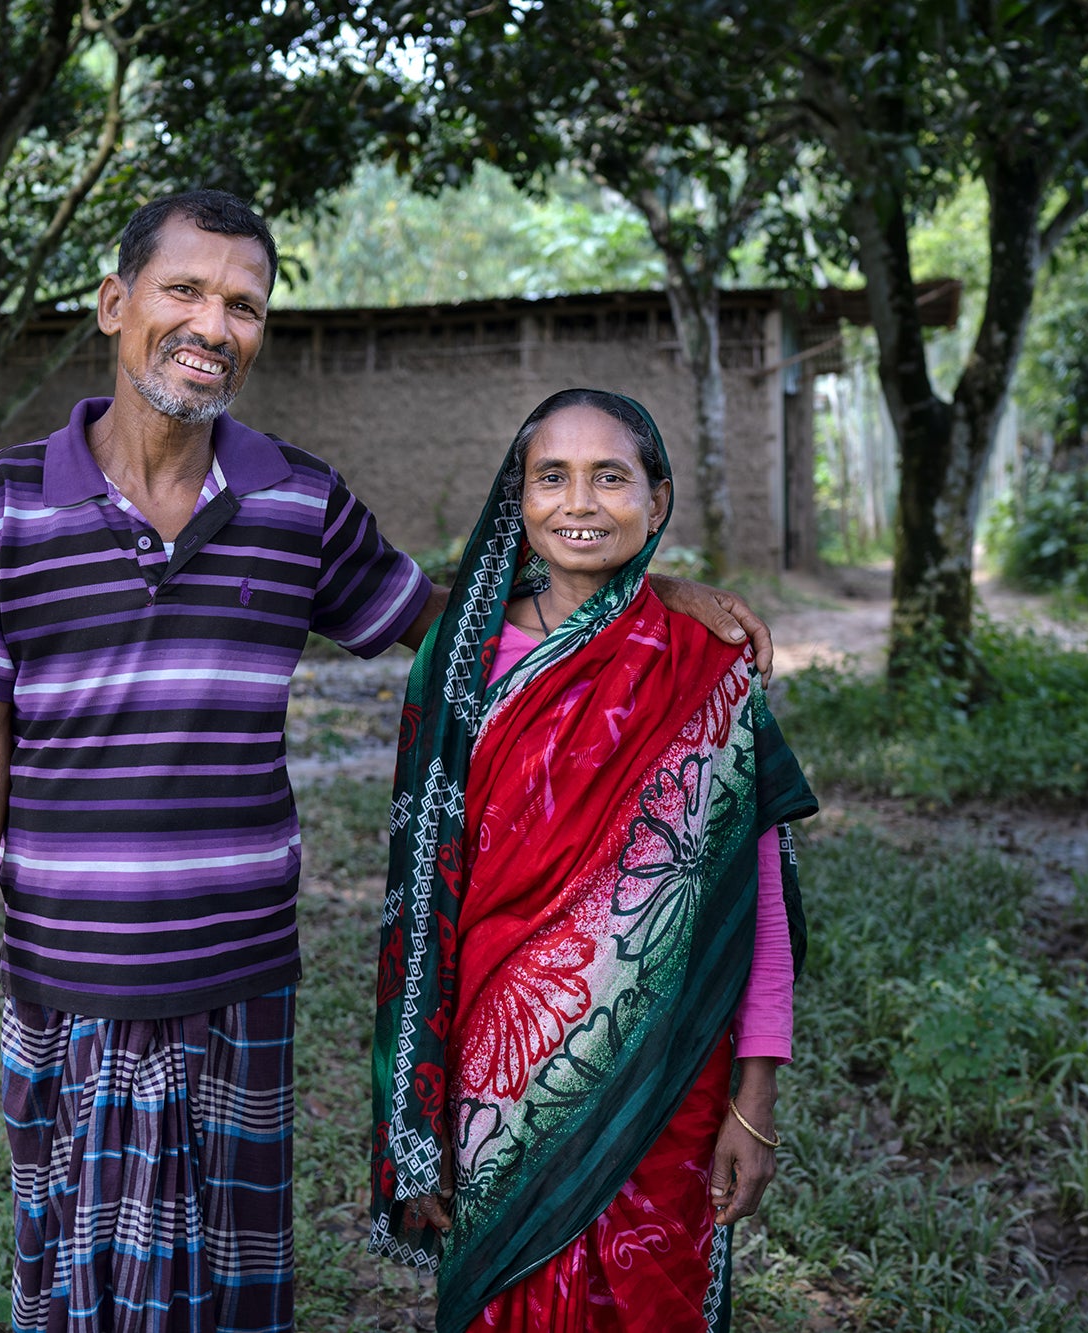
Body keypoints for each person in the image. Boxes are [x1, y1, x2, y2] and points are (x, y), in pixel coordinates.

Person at [0, 190, 777, 1333]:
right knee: (74, 1292)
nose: (214, 324)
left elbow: (460, 630)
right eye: (185, 291)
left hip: (242, 982)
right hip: (66, 986)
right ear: (116, 304)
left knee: (233, 1290)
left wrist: (643, 592)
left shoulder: (294, 499)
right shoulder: (2, 506)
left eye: (245, 305)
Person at [369, 389, 818, 1333]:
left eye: (611, 476)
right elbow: (419, 902)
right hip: (495, 1076)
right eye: (553, 477)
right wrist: (415, 1117)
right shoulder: (460, 663)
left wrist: (757, 1089)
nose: (581, 500)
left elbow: (758, 895)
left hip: (669, 1070)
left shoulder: (706, 659)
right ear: (518, 502)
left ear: (658, 501)